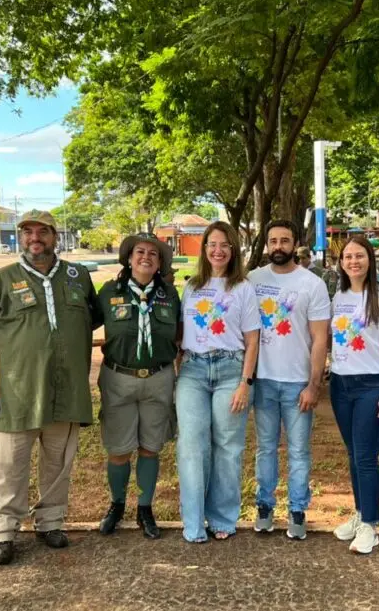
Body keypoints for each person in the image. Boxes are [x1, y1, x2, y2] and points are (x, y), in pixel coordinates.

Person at [0, 210, 103, 565]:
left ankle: (50, 522)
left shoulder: (78, 276)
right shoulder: (2, 279)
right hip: (18, 393)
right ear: (20, 237)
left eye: (42, 232)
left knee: (59, 462)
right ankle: (2, 530)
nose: (35, 238)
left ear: (55, 236)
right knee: (10, 464)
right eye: (28, 232)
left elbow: (90, 319)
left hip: (67, 390)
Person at [177, 221, 261, 542]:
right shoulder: (192, 287)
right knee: (192, 445)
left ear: (233, 250)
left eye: (224, 245)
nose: (218, 250)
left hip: (231, 370)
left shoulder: (243, 288)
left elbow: (253, 340)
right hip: (194, 371)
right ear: (204, 249)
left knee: (228, 447)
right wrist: (177, 371)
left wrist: (245, 382)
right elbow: (183, 334)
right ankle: (195, 522)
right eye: (212, 244)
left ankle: (222, 517)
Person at [96, 233, 181, 539]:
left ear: (160, 263)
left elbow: (180, 335)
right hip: (119, 378)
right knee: (118, 450)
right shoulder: (108, 292)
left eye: (153, 254)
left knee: (150, 448)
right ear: (129, 259)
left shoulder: (169, 295)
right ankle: (117, 505)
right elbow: (82, 324)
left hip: (158, 379)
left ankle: (145, 508)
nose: (146, 257)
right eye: (139, 252)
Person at [249, 220, 330, 539]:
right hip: (264, 381)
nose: (278, 246)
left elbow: (320, 338)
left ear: (295, 243)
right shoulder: (253, 280)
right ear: (266, 244)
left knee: (298, 451)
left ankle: (297, 510)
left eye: (284, 240)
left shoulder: (312, 284)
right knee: (265, 448)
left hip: (298, 384)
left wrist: (314, 384)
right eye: (273, 241)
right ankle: (264, 506)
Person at [329, 236, 379, 554]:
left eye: (359, 256)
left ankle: (371, 525)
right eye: (347, 257)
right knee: (353, 454)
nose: (353, 261)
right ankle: (361, 515)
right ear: (341, 262)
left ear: (370, 259)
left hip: (371, 386)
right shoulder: (339, 296)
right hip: (340, 385)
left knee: (365, 456)